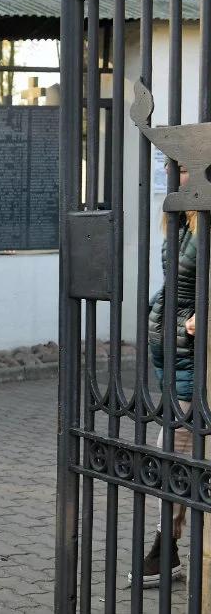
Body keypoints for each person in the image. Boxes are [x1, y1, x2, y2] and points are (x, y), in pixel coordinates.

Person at [138, 164, 196, 586]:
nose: (179, 178)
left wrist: (198, 319)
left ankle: (166, 549)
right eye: (175, 170)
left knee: (172, 453)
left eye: (189, 169)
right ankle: (167, 548)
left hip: (193, 359)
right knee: (175, 454)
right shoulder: (180, 220)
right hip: (174, 359)